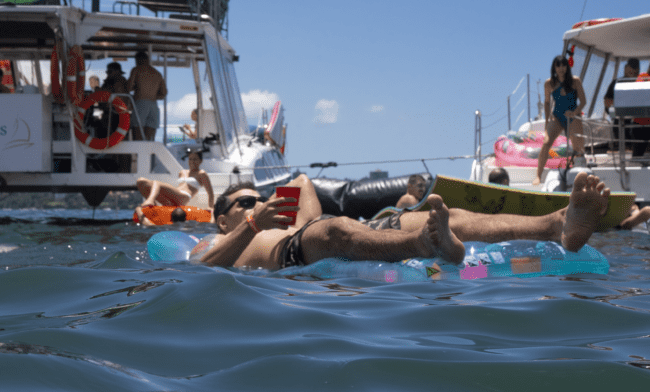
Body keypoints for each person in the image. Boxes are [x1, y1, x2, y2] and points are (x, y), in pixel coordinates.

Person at [198, 171, 610, 270]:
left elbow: (304, 181)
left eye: (258, 197)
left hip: (315, 234)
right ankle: (426, 248)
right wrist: (252, 224)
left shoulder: (279, 218)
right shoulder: (213, 242)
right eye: (244, 200)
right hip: (292, 252)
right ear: (221, 220)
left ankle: (556, 225)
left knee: (449, 216)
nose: (256, 202)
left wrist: (274, 201)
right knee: (334, 228)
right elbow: (202, 268)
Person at [532, 55, 587, 186]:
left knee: (578, 147)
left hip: (573, 117)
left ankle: (579, 175)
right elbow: (546, 103)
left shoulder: (575, 81)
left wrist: (574, 113)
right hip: (557, 117)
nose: (561, 68)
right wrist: (546, 120)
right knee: (546, 143)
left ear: (567, 67)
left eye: (564, 65)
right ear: (554, 68)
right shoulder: (549, 83)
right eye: (558, 66)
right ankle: (538, 176)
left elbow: (583, 101)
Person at [136, 150, 214, 210]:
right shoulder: (182, 172)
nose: (192, 161)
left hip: (183, 197)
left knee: (156, 183)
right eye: (190, 159)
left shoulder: (201, 173)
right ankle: (153, 207)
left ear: (200, 161)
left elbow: (210, 193)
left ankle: (150, 201)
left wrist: (210, 207)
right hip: (173, 198)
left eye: (195, 159)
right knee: (141, 181)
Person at [127, 50, 167, 141]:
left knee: (138, 137)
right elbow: (163, 94)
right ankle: (150, 155)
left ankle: (138, 155)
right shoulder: (157, 73)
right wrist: (151, 96)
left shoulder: (137, 69)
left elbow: (128, 87)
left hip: (140, 104)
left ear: (137, 60)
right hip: (153, 105)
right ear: (148, 60)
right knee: (150, 137)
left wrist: (137, 90)